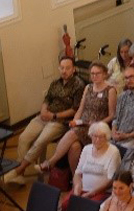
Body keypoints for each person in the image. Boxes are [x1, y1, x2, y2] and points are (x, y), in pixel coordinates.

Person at [6, 56, 85, 185]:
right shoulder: (55, 83)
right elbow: (47, 99)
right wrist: (43, 110)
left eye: (68, 68)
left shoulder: (78, 85)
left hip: (59, 121)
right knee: (24, 138)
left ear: (73, 69)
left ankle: (19, 170)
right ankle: (20, 175)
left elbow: (75, 109)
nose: (64, 71)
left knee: (40, 141)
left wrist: (54, 116)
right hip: (44, 116)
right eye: (62, 68)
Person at [69, 121, 122, 204]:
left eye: (101, 137)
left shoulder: (113, 152)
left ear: (107, 137)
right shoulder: (86, 149)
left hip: (101, 192)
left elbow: (111, 180)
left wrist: (91, 193)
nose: (97, 140)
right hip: (82, 190)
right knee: (66, 205)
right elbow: (77, 173)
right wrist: (77, 187)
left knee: (86, 207)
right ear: (91, 136)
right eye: (95, 136)